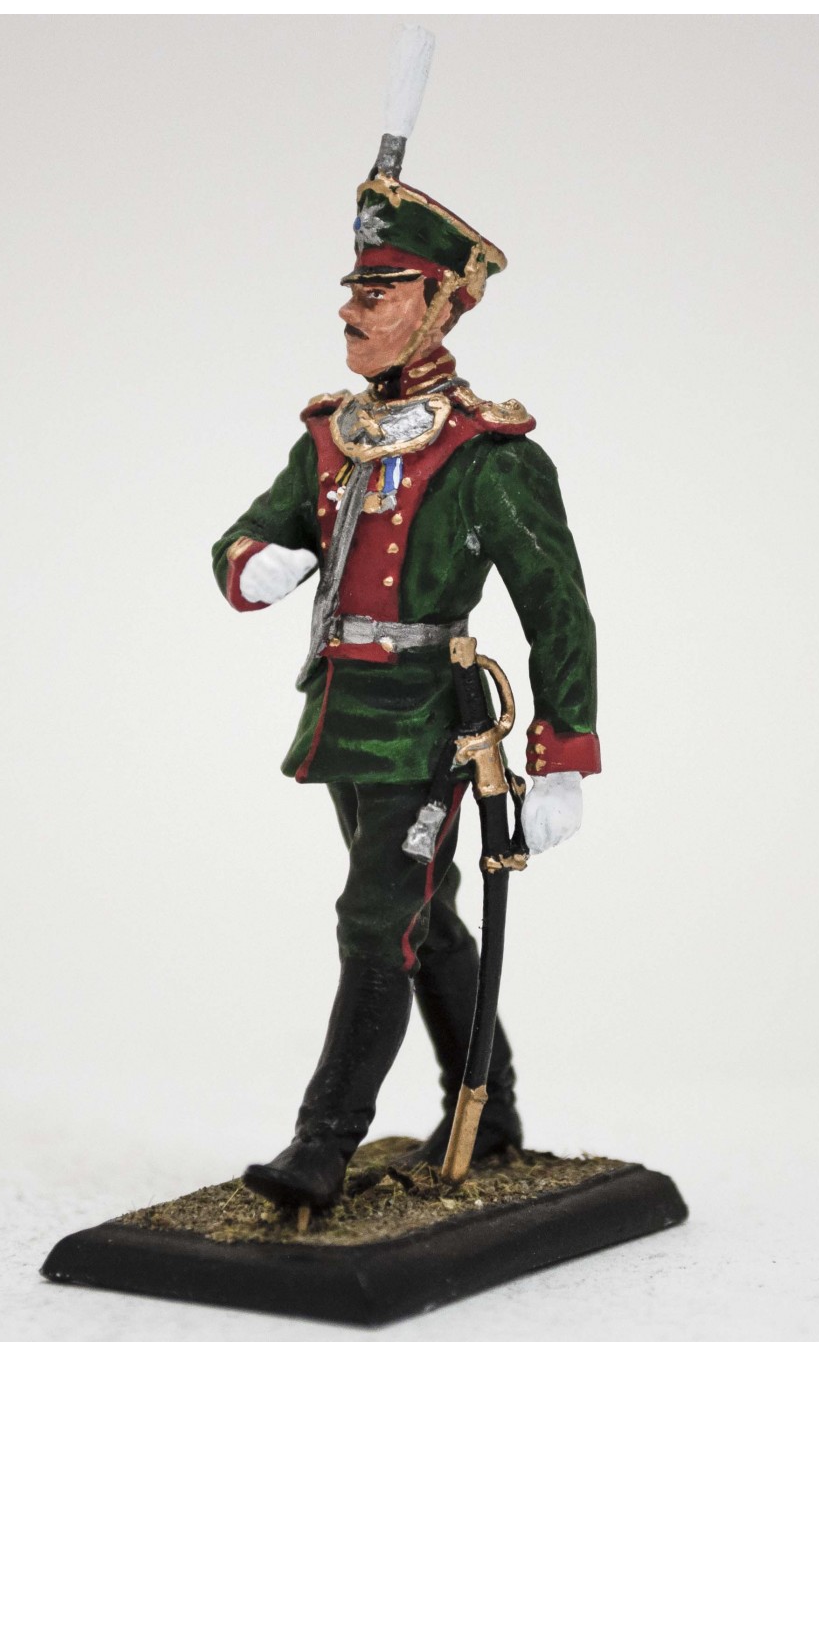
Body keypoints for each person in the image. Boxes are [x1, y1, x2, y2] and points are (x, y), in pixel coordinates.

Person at [212, 170, 602, 1213]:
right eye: (352, 287)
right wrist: (254, 561)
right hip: (343, 718)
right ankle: (494, 1104)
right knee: (424, 921)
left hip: (428, 722)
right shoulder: (332, 435)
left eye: (378, 290)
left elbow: (558, 609)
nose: (351, 309)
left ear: (438, 303)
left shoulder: (486, 456)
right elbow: (250, 530)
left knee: (375, 918)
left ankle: (320, 1145)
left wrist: (562, 758)